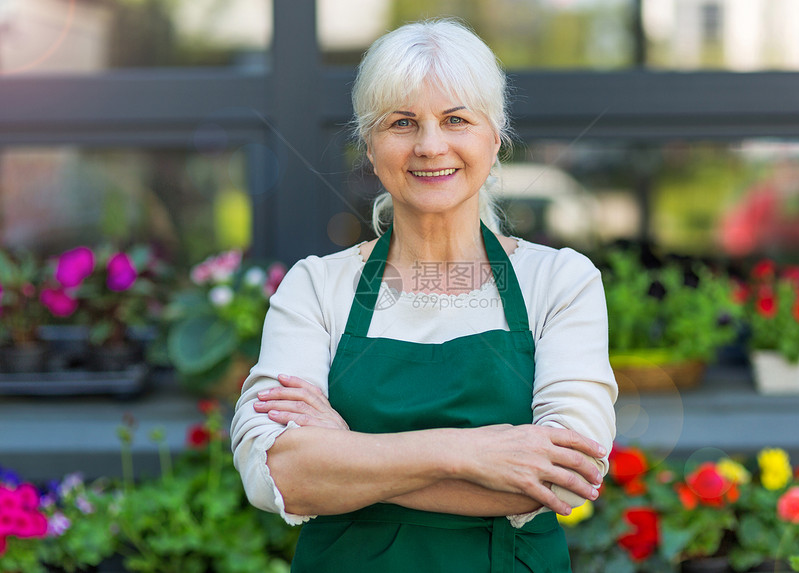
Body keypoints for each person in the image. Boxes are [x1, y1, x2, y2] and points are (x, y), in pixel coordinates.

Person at [230, 18, 617, 572]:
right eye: (402, 122)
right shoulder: (316, 286)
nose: (430, 145)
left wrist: (348, 452)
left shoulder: (559, 281)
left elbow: (563, 477)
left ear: (495, 135)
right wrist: (473, 454)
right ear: (370, 143)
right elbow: (278, 475)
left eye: (456, 119)